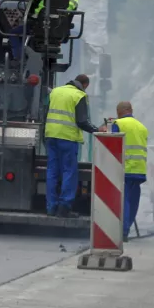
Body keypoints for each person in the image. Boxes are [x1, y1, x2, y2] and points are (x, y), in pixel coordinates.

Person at [44, 74, 102, 217]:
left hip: (51, 135)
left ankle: (51, 207)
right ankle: (64, 207)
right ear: (85, 85)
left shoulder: (55, 91)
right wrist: (96, 130)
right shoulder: (79, 95)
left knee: (52, 171)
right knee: (69, 171)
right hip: (67, 138)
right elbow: (82, 121)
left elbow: (45, 112)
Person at [9, 0, 79, 63]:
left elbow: (33, 2)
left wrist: (29, 15)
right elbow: (69, 18)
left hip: (38, 26)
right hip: (58, 32)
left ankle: (19, 57)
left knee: (14, 33)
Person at [110, 101, 148, 242]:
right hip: (139, 170)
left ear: (119, 112)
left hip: (125, 169)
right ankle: (128, 226)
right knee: (133, 201)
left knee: (123, 200)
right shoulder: (142, 127)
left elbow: (112, 145)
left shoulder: (118, 124)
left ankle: (124, 231)